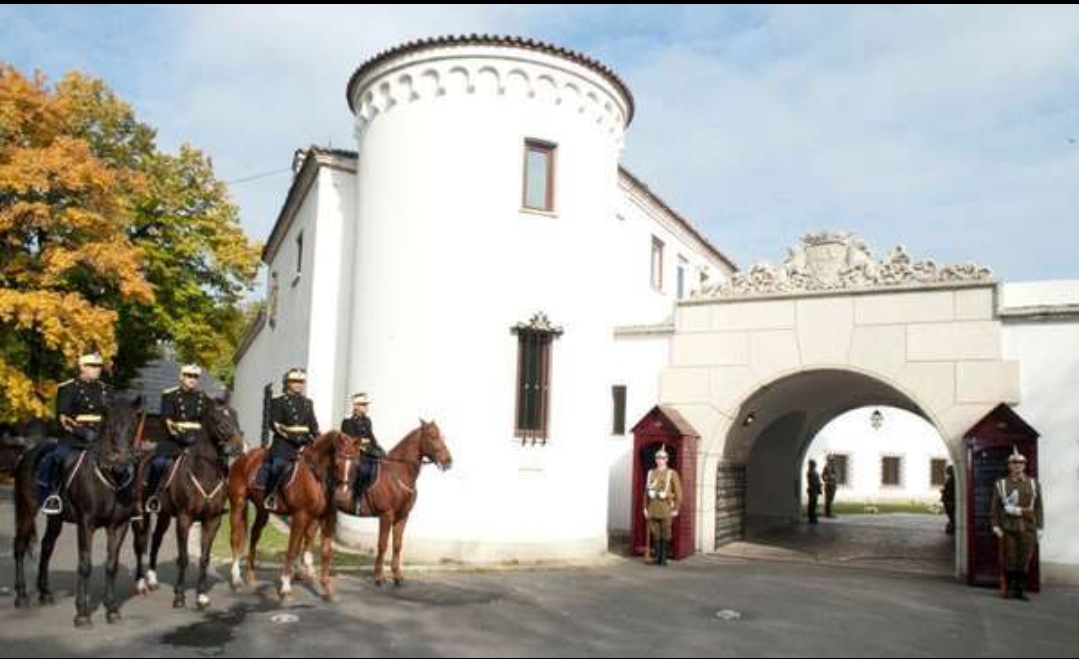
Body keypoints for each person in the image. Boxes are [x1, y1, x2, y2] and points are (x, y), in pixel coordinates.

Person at [37, 352, 111, 515]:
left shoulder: (105, 389)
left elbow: (110, 416)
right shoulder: (68, 387)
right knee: (58, 457)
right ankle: (54, 495)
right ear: (82, 367)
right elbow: (63, 417)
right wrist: (82, 432)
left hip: (99, 437)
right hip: (75, 437)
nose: (97, 369)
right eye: (93, 366)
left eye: (99, 366)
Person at [143, 364, 212, 514]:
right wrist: (181, 436)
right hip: (174, 440)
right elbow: (167, 420)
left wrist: (202, 439)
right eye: (188, 376)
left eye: (195, 377)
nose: (192, 379)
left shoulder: (203, 397)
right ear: (181, 377)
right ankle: (152, 497)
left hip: (197, 441)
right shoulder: (170, 395)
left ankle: (215, 498)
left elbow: (207, 422)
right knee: (159, 463)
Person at [257, 368, 319, 510]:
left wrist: (316, 438)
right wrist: (293, 438)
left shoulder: (308, 402)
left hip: (305, 444)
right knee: (277, 467)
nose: (298, 384)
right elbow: (275, 424)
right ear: (287, 383)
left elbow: (313, 425)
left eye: (301, 381)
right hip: (284, 444)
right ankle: (270, 496)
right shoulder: (279, 400)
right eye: (295, 381)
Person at [990, 447, 1043, 601]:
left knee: (1024, 559)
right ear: (1009, 465)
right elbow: (995, 507)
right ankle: (1009, 588)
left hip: (1028, 526)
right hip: (1008, 527)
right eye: (1014, 463)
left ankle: (1020, 590)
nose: (1017, 465)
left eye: (1020, 463)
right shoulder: (1001, 484)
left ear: (1024, 465)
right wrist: (995, 525)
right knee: (1010, 558)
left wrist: (1040, 527)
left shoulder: (1033, 483)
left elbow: (1039, 506)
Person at [340, 392, 383, 511]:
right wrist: (368, 448)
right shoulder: (348, 421)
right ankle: (357, 499)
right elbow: (351, 441)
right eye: (363, 404)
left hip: (368, 452)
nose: (366, 407)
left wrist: (379, 449)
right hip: (355, 454)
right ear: (356, 406)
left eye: (366, 404)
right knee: (364, 470)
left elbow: (371, 436)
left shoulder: (367, 420)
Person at [643, 445, 682, 566]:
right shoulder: (651, 473)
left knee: (666, 532)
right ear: (655, 459)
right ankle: (657, 557)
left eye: (662, 458)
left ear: (667, 459)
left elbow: (679, 492)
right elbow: (645, 492)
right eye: (658, 458)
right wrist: (644, 507)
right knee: (655, 533)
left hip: (666, 507)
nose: (660, 460)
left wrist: (676, 508)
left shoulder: (671, 473)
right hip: (653, 507)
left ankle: (663, 558)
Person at [941, 464, 956, 535]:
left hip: (949, 501)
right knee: (950, 514)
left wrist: (944, 491)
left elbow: (951, 491)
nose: (946, 472)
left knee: (951, 514)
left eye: (948, 470)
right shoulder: (950, 479)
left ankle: (953, 527)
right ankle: (952, 526)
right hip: (947, 500)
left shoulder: (952, 480)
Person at [806, 459, 822, 525]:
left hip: (815, 489)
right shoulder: (810, 472)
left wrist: (819, 484)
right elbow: (811, 482)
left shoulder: (814, 471)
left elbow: (817, 479)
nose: (815, 465)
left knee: (814, 504)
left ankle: (813, 517)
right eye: (813, 464)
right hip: (813, 489)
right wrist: (818, 484)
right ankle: (811, 518)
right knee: (812, 504)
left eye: (814, 464)